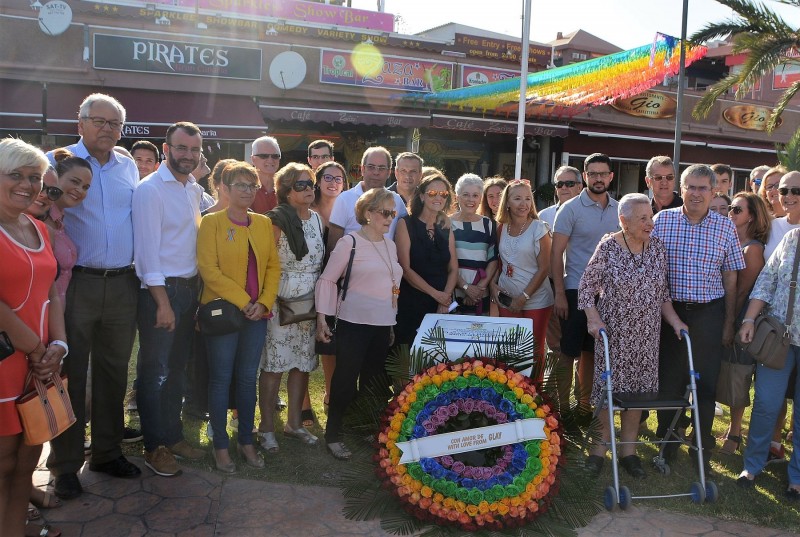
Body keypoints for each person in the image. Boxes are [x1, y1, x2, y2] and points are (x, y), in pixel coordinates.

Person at [47, 93, 141, 500]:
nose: (107, 129)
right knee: (68, 376)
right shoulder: (56, 162)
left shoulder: (129, 165)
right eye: (99, 121)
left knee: (113, 372)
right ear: (80, 122)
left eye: (114, 123)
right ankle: (64, 466)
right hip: (75, 285)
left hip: (123, 284)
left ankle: (106, 451)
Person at [579, 193, 687, 478]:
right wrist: (593, 319)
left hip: (647, 338)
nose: (650, 223)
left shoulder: (658, 249)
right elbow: (586, 289)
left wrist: (676, 322)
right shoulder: (608, 247)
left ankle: (629, 452)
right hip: (613, 336)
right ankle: (598, 451)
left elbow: (663, 294)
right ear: (623, 221)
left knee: (638, 396)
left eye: (650, 217)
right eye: (643, 219)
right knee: (607, 395)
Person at [651, 164, 744, 475]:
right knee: (670, 381)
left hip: (709, 313)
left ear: (714, 191)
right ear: (681, 188)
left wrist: (728, 323)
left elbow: (731, 278)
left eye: (703, 188)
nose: (696, 193)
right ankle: (667, 440)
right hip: (670, 312)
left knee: (704, 384)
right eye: (690, 187)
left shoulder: (725, 227)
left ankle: (701, 445)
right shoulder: (662, 221)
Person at [133, 121, 206, 477]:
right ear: (166, 149)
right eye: (181, 148)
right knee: (155, 373)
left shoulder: (192, 188)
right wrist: (162, 302)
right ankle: (154, 446)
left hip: (189, 290)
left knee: (176, 371)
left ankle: (172, 435)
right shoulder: (150, 190)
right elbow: (146, 254)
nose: (187, 155)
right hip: (161, 292)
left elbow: (217, 209)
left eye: (194, 149)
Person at [0, 138, 65, 537]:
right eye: (16, 175)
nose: (27, 185)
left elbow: (52, 292)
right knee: (3, 464)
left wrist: (59, 345)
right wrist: (40, 349)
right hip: (8, 366)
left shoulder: (40, 227)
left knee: (27, 463)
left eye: (34, 178)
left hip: (40, 365)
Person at [197, 162, 280, 473]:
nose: (247, 191)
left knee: (247, 379)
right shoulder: (211, 223)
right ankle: (220, 445)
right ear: (225, 189)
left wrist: (264, 302)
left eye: (251, 185)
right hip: (223, 315)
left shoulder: (261, 223)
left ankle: (246, 439)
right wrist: (246, 301)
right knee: (220, 380)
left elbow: (273, 266)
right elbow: (209, 270)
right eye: (240, 185)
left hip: (257, 315)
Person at [315, 188, 403, 461]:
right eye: (384, 212)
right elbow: (327, 280)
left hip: (382, 324)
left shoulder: (390, 244)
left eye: (393, 213)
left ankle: (364, 428)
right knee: (344, 381)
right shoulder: (350, 242)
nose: (390, 218)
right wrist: (322, 317)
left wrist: (390, 323)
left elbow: (391, 285)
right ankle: (333, 435)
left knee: (374, 381)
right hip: (353, 323)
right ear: (367, 213)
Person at [258, 163, 324, 452]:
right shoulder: (274, 220)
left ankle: (294, 423)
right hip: (280, 299)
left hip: (310, 301)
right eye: (301, 185)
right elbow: (263, 263)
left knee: (302, 364)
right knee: (274, 365)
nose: (309, 189)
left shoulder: (318, 219)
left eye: (311, 184)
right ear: (285, 190)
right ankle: (266, 428)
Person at [551, 153, 619, 412]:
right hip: (575, 290)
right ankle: (560, 409)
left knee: (592, 353)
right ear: (585, 176)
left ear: (611, 176)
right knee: (568, 353)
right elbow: (556, 254)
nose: (598, 178)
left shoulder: (619, 209)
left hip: (608, 295)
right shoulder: (570, 209)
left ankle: (584, 407)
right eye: (593, 174)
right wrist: (559, 293)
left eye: (603, 173)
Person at [736, 227, 800, 501]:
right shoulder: (792, 237)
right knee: (765, 404)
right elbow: (767, 280)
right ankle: (752, 466)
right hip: (779, 338)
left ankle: (797, 476)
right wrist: (749, 319)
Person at [717, 192, 770, 455]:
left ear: (752, 215)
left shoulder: (753, 249)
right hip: (726, 315)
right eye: (730, 208)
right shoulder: (730, 241)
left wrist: (729, 324)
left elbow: (741, 291)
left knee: (738, 375)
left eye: (737, 209)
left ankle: (735, 433)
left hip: (741, 320)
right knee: (723, 373)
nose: (731, 213)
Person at [490, 179, 552, 377]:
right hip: (507, 299)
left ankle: (536, 401)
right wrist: (493, 285)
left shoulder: (539, 228)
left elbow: (544, 268)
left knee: (534, 353)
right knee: (509, 352)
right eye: (517, 198)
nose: (523, 203)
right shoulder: (501, 228)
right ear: (507, 202)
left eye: (527, 198)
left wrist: (524, 297)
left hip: (536, 300)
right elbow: (501, 262)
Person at [394, 173, 458, 346]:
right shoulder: (405, 224)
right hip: (412, 302)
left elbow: (453, 268)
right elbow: (405, 269)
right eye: (432, 193)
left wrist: (445, 298)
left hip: (442, 305)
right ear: (421, 196)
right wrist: (437, 295)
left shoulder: (446, 226)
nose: (438, 197)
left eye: (443, 194)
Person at [307, 162, 347, 422]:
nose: (333, 182)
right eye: (328, 177)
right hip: (306, 282)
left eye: (339, 179)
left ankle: (331, 395)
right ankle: (302, 405)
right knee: (303, 346)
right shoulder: (306, 211)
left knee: (329, 342)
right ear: (318, 181)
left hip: (335, 284)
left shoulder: (349, 210)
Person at [327, 147, 406, 249]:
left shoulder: (397, 201)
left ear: (388, 173)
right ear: (362, 169)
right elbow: (333, 245)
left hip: (386, 262)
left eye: (381, 168)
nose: (376, 172)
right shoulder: (344, 199)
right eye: (371, 167)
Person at [451, 173, 497, 315]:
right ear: (457, 196)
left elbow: (493, 259)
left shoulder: (488, 224)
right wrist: (466, 287)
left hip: (481, 294)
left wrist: (478, 289)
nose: (471, 199)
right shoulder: (446, 223)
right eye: (466, 194)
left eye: (475, 195)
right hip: (453, 292)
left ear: (480, 198)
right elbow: (444, 261)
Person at [249, 136, 281, 214]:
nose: (270, 160)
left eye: (275, 156)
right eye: (264, 156)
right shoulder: (245, 188)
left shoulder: (287, 187)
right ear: (253, 159)